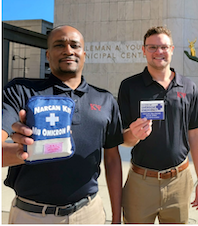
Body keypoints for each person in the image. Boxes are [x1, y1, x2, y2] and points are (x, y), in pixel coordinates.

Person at [2, 25, 124, 224]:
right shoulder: (21, 91)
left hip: (89, 214)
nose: (68, 50)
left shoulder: (105, 100)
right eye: (60, 45)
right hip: (32, 216)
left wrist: (117, 218)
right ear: (48, 55)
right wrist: (21, 151)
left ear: (84, 54)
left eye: (74, 45)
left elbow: (112, 160)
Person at [118, 26, 198, 224]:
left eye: (164, 47)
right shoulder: (130, 86)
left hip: (179, 181)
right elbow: (123, 138)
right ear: (143, 50)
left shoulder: (188, 86)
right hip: (141, 183)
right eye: (152, 47)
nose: (159, 52)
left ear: (172, 49)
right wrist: (134, 135)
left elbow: (195, 135)